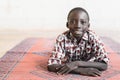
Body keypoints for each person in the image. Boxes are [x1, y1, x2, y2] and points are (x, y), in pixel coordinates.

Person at [47, 7, 109, 77]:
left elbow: (104, 65)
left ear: (88, 26)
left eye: (83, 22)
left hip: (85, 62)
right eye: (73, 21)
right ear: (67, 25)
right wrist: (80, 70)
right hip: (70, 62)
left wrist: (77, 64)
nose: (78, 26)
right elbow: (51, 65)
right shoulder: (62, 39)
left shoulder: (93, 37)